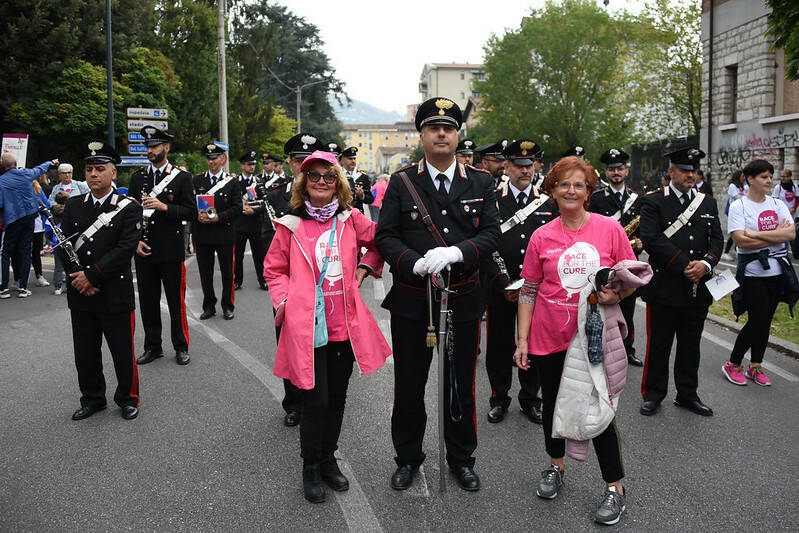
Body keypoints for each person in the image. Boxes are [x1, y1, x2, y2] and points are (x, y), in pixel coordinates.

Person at [376, 97, 500, 492]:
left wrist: (458, 251)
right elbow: (385, 236)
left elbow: (492, 233)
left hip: (462, 300)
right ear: (423, 135)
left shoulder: (480, 182)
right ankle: (408, 457)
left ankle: (462, 458)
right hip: (414, 302)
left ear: (458, 134)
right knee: (409, 386)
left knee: (460, 384)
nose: (441, 133)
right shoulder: (402, 181)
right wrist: (411, 261)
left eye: (448, 127)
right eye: (433, 128)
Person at [513, 155, 637, 525]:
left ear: (588, 191)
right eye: (563, 184)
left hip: (594, 339)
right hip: (549, 336)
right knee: (552, 406)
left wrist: (616, 295)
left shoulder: (609, 230)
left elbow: (631, 277)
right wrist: (522, 340)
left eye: (578, 184)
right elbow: (529, 290)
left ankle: (615, 487)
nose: (571, 190)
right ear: (551, 190)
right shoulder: (541, 235)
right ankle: (555, 466)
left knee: (600, 412)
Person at [264, 150, 390, 503]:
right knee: (314, 400)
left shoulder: (351, 220)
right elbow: (274, 269)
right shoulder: (291, 225)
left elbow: (379, 242)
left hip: (344, 327)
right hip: (307, 329)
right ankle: (310, 466)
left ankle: (329, 458)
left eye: (328, 176)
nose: (321, 182)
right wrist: (286, 302)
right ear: (304, 184)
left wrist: (365, 269)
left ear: (339, 183)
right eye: (314, 176)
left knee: (337, 397)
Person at [61, 140, 142, 421]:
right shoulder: (73, 206)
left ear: (113, 173)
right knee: (85, 352)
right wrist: (78, 278)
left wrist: (92, 276)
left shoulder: (128, 207)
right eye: (89, 169)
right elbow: (64, 247)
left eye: (100, 169)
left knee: (122, 350)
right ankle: (93, 398)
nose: (93, 174)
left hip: (113, 290)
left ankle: (128, 398)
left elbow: (125, 248)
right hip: (80, 291)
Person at [638, 147, 723, 417]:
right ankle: (653, 393)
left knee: (691, 344)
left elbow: (717, 239)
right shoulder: (653, 201)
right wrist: (683, 265)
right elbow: (651, 238)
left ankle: (687, 394)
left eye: (694, 170)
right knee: (659, 344)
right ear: (671, 171)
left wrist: (706, 264)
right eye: (685, 170)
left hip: (697, 287)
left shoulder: (707, 202)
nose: (690, 175)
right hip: (665, 286)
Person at [483, 138, 557, 425]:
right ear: (507, 165)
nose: (524, 171)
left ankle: (531, 398)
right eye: (517, 165)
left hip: (536, 288)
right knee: (499, 345)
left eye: (529, 165)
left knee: (535, 344)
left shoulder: (547, 201)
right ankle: (499, 398)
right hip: (501, 286)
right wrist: (501, 281)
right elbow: (485, 244)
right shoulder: (492, 198)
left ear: (536, 165)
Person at [723, 159, 797, 387]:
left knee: (765, 322)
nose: (769, 181)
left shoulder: (776, 203)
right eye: (764, 177)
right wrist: (776, 234)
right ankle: (733, 363)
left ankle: (756, 365)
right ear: (750, 179)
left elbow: (791, 234)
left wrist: (756, 234)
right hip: (753, 274)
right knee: (758, 320)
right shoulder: (739, 206)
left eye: (770, 176)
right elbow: (740, 240)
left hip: (778, 272)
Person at [268, 132, 325, 428]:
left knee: (323, 345)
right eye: (299, 161)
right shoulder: (277, 194)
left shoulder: (328, 190)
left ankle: (320, 396)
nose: (304, 166)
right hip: (289, 284)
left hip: (323, 285)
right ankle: (294, 403)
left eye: (310, 161)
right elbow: (272, 246)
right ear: (291, 163)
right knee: (289, 344)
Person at [128, 126, 195, 366]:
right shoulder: (138, 177)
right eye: (148, 146)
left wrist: (165, 207)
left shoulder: (182, 177)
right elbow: (130, 214)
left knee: (176, 301)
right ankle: (153, 346)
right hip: (144, 248)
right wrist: (134, 241)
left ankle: (181, 345)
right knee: (147, 300)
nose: (150, 150)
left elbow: (191, 211)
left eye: (155, 146)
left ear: (166, 147)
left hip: (170, 248)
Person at [588, 148, 645, 367]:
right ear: (606, 172)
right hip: (603, 261)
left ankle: (627, 348)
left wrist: (641, 242)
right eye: (612, 169)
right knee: (601, 305)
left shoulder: (637, 199)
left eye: (620, 169)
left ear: (627, 171)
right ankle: (599, 345)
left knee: (628, 306)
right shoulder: (597, 198)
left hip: (628, 260)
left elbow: (645, 229)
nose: (616, 173)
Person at [192, 144, 241, 321]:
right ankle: (209, 306)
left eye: (215, 158)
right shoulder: (197, 181)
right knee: (205, 273)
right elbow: (189, 206)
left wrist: (219, 217)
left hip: (224, 234)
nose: (211, 161)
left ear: (223, 159)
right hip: (202, 234)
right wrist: (196, 215)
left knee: (228, 273)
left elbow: (237, 208)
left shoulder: (232, 182)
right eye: (209, 158)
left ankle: (227, 305)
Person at [0, 153, 57, 299]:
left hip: (12, 219)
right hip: (29, 216)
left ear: (3, 165)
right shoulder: (26, 174)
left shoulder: (2, 181)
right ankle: (23, 288)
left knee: (6, 252)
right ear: (15, 163)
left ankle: (4, 288)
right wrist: (51, 161)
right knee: (26, 251)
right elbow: (40, 169)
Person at [234, 150, 268, 291]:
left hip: (255, 223)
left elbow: (265, 202)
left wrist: (255, 210)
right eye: (248, 164)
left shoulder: (259, 181)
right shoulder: (235, 182)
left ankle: (262, 280)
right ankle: (237, 280)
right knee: (238, 255)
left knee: (259, 255)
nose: (251, 167)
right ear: (242, 166)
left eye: (253, 164)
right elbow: (233, 201)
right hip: (240, 223)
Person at [339, 146, 374, 212]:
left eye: (354, 159)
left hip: (357, 214)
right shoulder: (337, 175)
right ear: (343, 160)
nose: (353, 161)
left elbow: (371, 199)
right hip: (341, 214)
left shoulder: (363, 176)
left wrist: (362, 196)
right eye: (350, 159)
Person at [722, 169, 746, 260]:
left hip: (741, 211)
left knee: (741, 231)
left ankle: (736, 249)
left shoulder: (741, 186)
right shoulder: (732, 186)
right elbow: (737, 197)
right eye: (742, 176)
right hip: (733, 212)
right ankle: (726, 252)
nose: (744, 178)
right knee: (734, 233)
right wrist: (748, 198)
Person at [50, 191, 70, 294]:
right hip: (68, 239)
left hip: (56, 241)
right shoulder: (70, 211)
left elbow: (49, 229)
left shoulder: (52, 212)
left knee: (58, 265)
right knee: (69, 264)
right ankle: (69, 284)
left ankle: (57, 287)